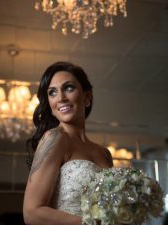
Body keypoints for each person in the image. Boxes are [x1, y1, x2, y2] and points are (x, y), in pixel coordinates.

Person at [23, 61, 113, 225]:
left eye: (69, 88)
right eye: (52, 92)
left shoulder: (104, 153)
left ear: (87, 96)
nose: (61, 98)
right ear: (50, 106)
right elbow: (32, 213)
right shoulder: (55, 138)